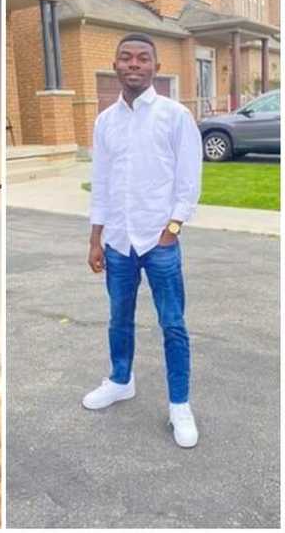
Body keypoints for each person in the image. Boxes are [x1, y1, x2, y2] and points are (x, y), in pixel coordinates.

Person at [83, 32, 203, 448]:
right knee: (119, 318)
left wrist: (172, 230)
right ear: (115, 65)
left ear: (155, 66)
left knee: (173, 325)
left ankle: (180, 405)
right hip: (117, 241)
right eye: (126, 58)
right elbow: (101, 183)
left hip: (159, 242)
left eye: (142, 59)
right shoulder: (105, 122)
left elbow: (189, 182)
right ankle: (120, 380)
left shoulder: (175, 116)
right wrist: (96, 238)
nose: (134, 64)